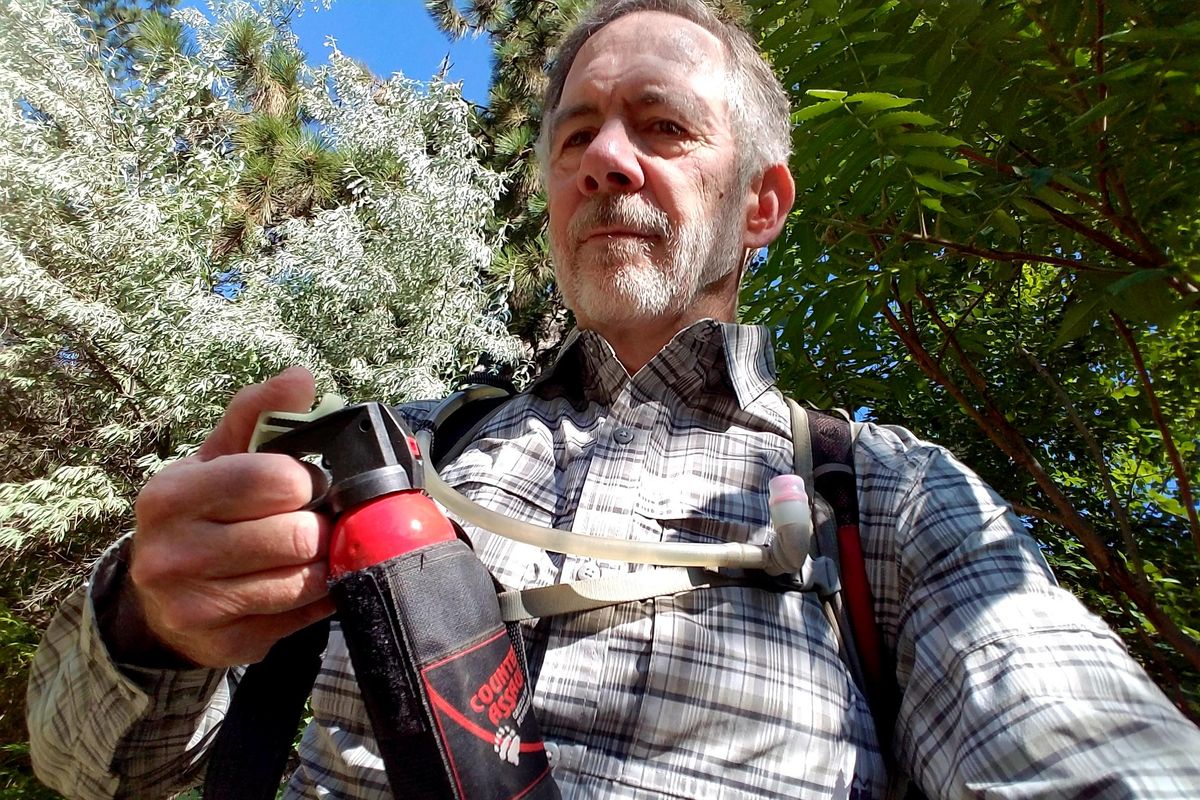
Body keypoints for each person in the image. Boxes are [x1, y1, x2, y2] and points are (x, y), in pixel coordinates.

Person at [27, 0, 1200, 797]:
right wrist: (146, 615)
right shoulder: (386, 451)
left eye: (663, 127)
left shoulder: (887, 493)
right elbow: (90, 768)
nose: (605, 158)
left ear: (760, 205)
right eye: (577, 131)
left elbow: (1087, 741)